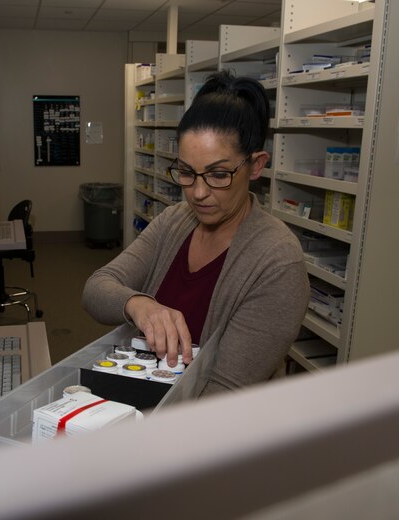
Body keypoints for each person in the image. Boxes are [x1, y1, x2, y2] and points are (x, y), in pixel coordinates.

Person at [82, 70, 310, 395]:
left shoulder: (277, 263)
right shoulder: (175, 220)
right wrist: (140, 304)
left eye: (218, 174)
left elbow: (221, 395)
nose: (198, 193)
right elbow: (95, 289)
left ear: (256, 165)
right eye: (187, 172)